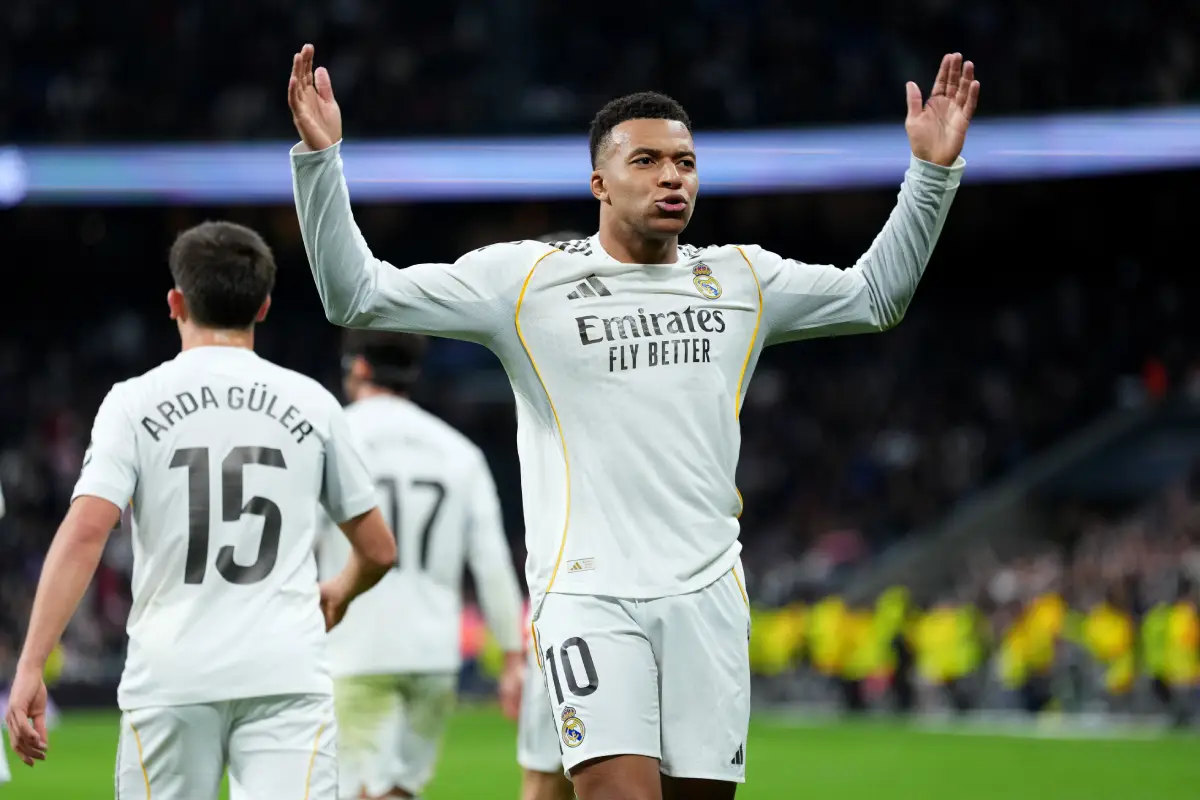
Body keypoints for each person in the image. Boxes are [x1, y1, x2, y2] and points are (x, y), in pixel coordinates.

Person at [288, 43, 979, 800]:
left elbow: (875, 296)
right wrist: (321, 162)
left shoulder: (742, 279)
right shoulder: (525, 283)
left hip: (708, 594)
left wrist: (930, 173)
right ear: (600, 184)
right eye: (645, 162)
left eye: (684, 163)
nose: (671, 177)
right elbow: (357, 296)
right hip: (588, 593)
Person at [3, 220, 397, 799]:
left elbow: (86, 532)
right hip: (285, 672)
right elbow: (379, 549)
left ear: (175, 303)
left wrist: (31, 663)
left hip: (171, 676)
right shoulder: (313, 403)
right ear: (263, 307)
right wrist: (340, 590)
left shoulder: (132, 403)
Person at [317, 330, 525, 799]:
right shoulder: (459, 451)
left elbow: (298, 543)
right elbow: (492, 564)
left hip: (355, 647)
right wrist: (513, 658)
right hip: (433, 654)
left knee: (356, 791)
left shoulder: (333, 438)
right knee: (399, 791)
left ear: (359, 366)